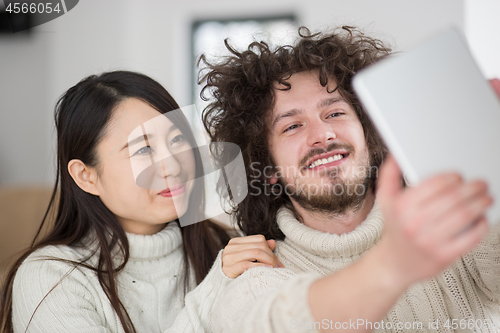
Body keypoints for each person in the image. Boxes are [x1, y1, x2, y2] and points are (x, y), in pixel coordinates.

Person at [193, 26, 500, 332]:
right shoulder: (255, 282)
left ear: (370, 136)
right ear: (268, 168)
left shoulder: (462, 223)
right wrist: (393, 262)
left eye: (335, 114)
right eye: (292, 126)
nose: (323, 134)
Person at [0, 71, 282, 333]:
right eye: (144, 149)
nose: (173, 166)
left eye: (177, 139)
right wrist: (213, 292)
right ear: (86, 176)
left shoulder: (228, 250)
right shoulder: (50, 278)